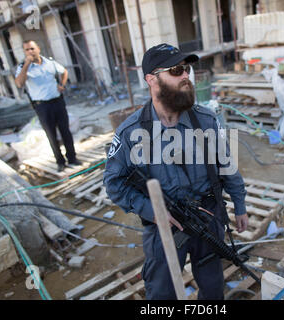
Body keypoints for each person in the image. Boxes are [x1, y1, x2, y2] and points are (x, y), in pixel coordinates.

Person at [103, 43, 248, 300]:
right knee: (162, 293)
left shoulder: (205, 120)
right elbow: (115, 184)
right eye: (177, 70)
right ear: (152, 80)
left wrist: (239, 204)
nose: (186, 76)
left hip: (208, 216)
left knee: (214, 288)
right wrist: (153, 211)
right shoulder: (130, 133)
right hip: (164, 225)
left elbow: (227, 166)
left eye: (187, 69)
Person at [15, 40, 81, 172]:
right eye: (27, 50)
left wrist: (62, 84)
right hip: (42, 106)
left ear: (38, 48)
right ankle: (60, 162)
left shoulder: (49, 63)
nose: (30, 52)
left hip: (57, 102)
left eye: (32, 48)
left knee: (65, 131)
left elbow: (64, 72)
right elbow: (19, 84)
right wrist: (27, 65)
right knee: (51, 135)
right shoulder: (23, 67)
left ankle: (72, 158)